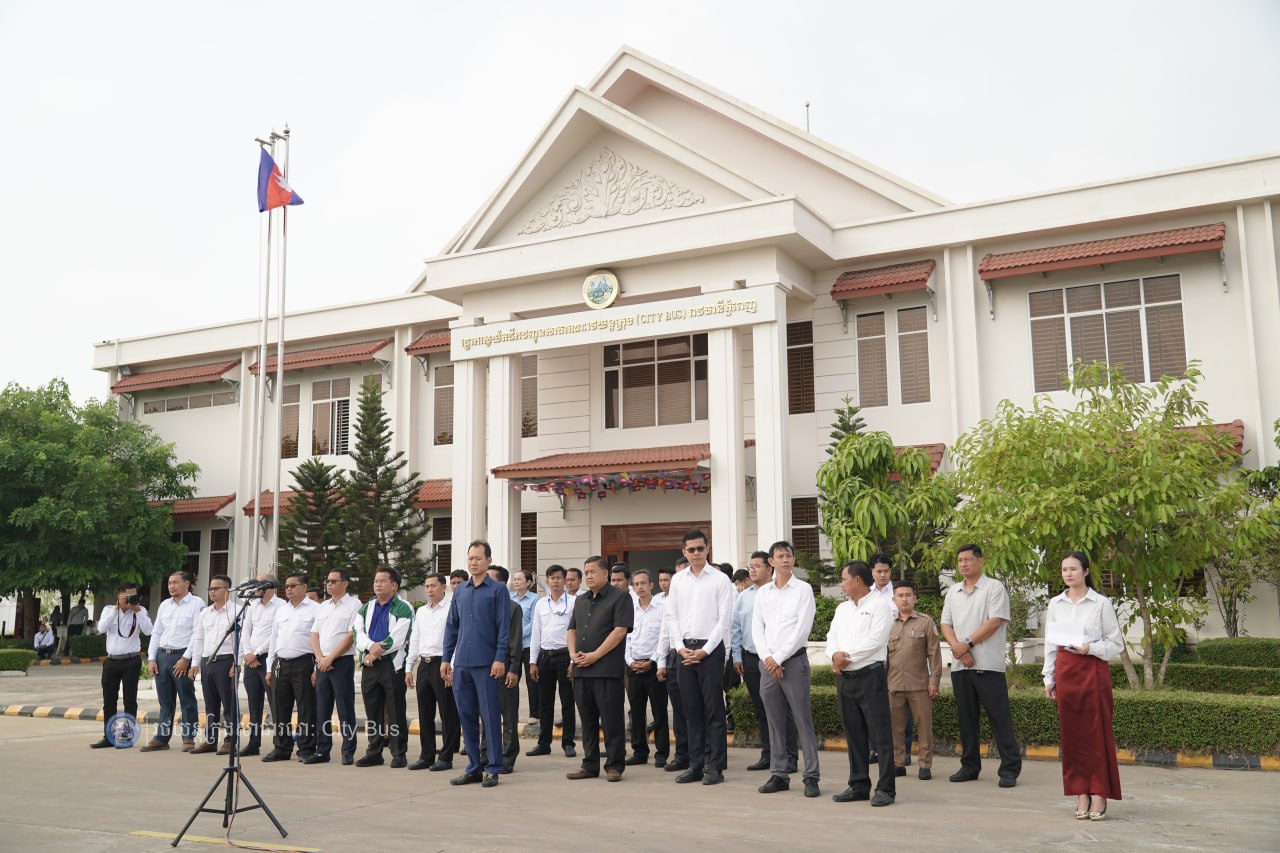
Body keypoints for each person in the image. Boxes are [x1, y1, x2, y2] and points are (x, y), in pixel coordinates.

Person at [1043, 551, 1123, 821]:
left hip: (1092, 669)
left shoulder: (1101, 603)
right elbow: (1050, 644)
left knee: (1096, 733)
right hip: (1066, 672)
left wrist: (1091, 647)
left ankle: (1099, 792)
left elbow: (1116, 643)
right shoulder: (1055, 603)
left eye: (1073, 569)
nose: (1068, 573)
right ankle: (1081, 792)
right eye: (1064, 569)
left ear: (1086, 572)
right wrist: (1048, 677)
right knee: (1073, 736)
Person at [941, 543, 1022, 787]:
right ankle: (969, 766)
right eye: (960, 561)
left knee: (999, 718)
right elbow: (946, 624)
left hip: (988, 665)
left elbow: (994, 621)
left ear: (980, 561)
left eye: (967, 559)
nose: (963, 564)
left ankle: (1009, 769)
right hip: (960, 666)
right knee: (966, 720)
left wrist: (966, 643)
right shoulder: (953, 591)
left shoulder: (994, 587)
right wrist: (957, 647)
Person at [661, 530, 735, 785]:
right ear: (684, 552)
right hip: (684, 651)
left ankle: (714, 767)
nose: (695, 553)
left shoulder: (720, 580)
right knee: (691, 711)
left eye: (699, 549)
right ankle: (695, 765)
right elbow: (671, 617)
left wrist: (705, 651)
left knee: (714, 711)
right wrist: (680, 648)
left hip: (710, 651)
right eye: (690, 550)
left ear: (707, 549)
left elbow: (724, 620)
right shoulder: (678, 581)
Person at [753, 541, 821, 798]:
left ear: (793, 560)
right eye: (779, 556)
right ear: (771, 561)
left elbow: (802, 629)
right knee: (774, 721)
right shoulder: (763, 593)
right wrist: (768, 658)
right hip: (768, 664)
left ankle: (811, 776)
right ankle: (779, 773)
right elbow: (757, 628)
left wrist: (778, 658)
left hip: (793, 662)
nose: (785, 560)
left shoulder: (803, 590)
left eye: (788, 556)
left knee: (803, 720)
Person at [826, 560, 896, 807]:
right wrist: (834, 655)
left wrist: (846, 657)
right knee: (854, 733)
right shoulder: (842, 610)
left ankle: (886, 788)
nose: (841, 584)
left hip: (869, 676)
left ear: (857, 580)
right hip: (846, 679)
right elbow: (831, 636)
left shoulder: (880, 606)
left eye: (844, 579)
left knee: (880, 735)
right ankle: (858, 784)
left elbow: (877, 641)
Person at [442, 540, 509, 788]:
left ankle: (493, 767)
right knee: (466, 716)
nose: (473, 562)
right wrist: (446, 659)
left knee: (490, 717)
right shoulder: (460, 591)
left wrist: (500, 657)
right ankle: (473, 767)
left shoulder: (497, 590)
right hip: (462, 665)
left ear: (488, 560)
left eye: (478, 558)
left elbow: (503, 627)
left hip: (487, 664)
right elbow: (452, 626)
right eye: (470, 558)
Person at [566, 555, 633, 782]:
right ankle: (590, 763)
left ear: (605, 573)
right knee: (587, 720)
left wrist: (595, 655)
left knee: (611, 719)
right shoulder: (581, 600)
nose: (589, 576)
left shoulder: (620, 598)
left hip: (606, 669)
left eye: (593, 571)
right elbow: (572, 630)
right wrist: (573, 655)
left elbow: (620, 631)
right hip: (582, 670)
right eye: (586, 572)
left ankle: (614, 765)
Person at [732, 550, 798, 775]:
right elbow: (736, 628)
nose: (752, 569)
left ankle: (790, 756)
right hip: (751, 658)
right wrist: (737, 656)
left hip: (776, 659)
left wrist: (776, 656)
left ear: (769, 567)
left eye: (757, 566)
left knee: (784, 709)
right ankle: (768, 754)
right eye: (750, 566)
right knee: (762, 710)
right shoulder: (743, 596)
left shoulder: (777, 592)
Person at [353, 568, 414, 768]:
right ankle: (374, 751)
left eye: (382, 581)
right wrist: (370, 649)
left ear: (394, 585)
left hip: (391, 666)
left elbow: (398, 638)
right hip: (370, 665)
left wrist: (375, 652)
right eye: (376, 581)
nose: (377, 584)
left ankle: (399, 753)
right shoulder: (366, 607)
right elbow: (357, 632)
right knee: (373, 710)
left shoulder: (403, 608)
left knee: (396, 710)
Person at [142, 571, 203, 752]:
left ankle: (188, 738)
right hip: (163, 656)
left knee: (186, 698)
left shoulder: (196, 604)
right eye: (169, 583)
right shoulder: (164, 605)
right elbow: (156, 633)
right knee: (165, 700)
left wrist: (187, 658)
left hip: (181, 656)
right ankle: (162, 738)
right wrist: (152, 658)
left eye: (175, 582)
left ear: (186, 583)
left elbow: (197, 634)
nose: (171, 586)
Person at [887, 579, 941, 780]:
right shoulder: (887, 624)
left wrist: (934, 681)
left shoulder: (925, 622)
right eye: (900, 596)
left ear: (915, 598)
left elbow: (934, 654)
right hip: (893, 685)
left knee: (924, 727)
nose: (904, 599)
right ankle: (898, 763)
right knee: (895, 728)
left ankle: (925, 766)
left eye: (908, 595)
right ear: (894, 599)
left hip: (919, 685)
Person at [263, 572, 320, 762]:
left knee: (306, 708)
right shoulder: (281, 610)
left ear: (304, 587)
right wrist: (270, 667)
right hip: (281, 663)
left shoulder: (315, 609)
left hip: (305, 662)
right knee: (280, 709)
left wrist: (316, 667)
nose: (288, 589)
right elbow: (274, 639)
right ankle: (281, 747)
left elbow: (320, 638)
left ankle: (306, 748)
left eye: (293, 586)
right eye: (286, 586)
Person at [407, 572, 459, 771]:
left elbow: (455, 638)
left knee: (447, 712)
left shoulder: (451, 609)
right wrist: (409, 666)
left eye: (433, 586)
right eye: (427, 586)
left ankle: (446, 757)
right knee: (425, 712)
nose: (429, 590)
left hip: (443, 663)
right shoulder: (421, 612)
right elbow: (415, 639)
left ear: (443, 587)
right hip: (425, 664)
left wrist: (451, 665)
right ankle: (426, 755)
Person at [182, 574, 239, 755]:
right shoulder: (205, 613)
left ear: (227, 590)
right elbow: (198, 638)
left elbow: (241, 639)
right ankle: (211, 740)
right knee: (210, 704)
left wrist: (237, 662)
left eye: (216, 588)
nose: (212, 592)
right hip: (208, 662)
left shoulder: (237, 611)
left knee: (228, 704)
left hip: (226, 661)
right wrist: (195, 663)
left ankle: (231, 740)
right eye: (210, 589)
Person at [308, 568, 361, 765]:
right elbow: (314, 635)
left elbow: (350, 635)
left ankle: (348, 750)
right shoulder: (322, 607)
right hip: (322, 663)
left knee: (345, 708)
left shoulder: (354, 605)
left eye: (333, 581)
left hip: (341, 662)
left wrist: (331, 658)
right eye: (327, 581)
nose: (329, 584)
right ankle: (322, 750)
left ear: (345, 583)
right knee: (322, 709)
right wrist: (320, 658)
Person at [91, 583, 153, 748]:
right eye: (127, 596)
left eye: (134, 595)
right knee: (109, 700)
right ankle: (108, 737)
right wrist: (116, 609)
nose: (131, 599)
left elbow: (148, 631)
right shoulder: (109, 609)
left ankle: (126, 736)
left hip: (131, 660)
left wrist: (137, 609)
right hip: (111, 661)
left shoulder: (140, 611)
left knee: (129, 700)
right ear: (119, 596)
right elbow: (101, 628)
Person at [526, 564, 577, 759]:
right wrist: (533, 662)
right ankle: (543, 743)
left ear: (565, 580)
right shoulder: (540, 604)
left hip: (565, 657)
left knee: (567, 702)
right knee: (544, 703)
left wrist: (574, 660)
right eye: (551, 578)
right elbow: (535, 634)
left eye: (559, 577)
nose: (555, 581)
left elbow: (577, 633)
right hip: (545, 658)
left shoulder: (573, 602)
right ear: (546, 581)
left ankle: (568, 743)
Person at [624, 568, 668, 767]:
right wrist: (630, 661)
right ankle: (639, 751)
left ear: (652, 585)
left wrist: (651, 661)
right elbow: (625, 639)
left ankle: (662, 753)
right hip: (633, 667)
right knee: (636, 712)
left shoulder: (661, 609)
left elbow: (663, 639)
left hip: (654, 666)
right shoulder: (629, 610)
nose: (640, 587)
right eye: (636, 584)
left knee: (659, 712)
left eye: (643, 583)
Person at [239, 574, 284, 756]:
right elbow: (246, 630)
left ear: (270, 585)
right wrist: (248, 653)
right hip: (251, 659)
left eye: (260, 583)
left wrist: (256, 653)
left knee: (275, 702)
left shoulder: (280, 606)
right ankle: (253, 743)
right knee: (253, 703)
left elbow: (275, 634)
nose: (256, 586)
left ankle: (280, 743)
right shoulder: (252, 606)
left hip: (269, 658)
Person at [484, 565, 523, 774]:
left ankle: (508, 757)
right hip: (483, 668)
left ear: (501, 583)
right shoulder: (483, 604)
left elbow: (515, 641)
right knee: (486, 714)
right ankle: (486, 753)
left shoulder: (512, 607)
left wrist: (514, 669)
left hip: (506, 667)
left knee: (508, 716)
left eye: (490, 579)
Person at [655, 559, 690, 771]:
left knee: (697, 710)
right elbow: (664, 633)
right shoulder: (669, 601)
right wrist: (661, 662)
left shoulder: (702, 597)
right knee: (678, 711)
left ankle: (703, 754)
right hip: (675, 659)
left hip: (699, 656)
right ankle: (682, 755)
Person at [511, 568, 539, 725]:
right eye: (514, 579)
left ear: (528, 583)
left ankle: (534, 713)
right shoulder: (509, 598)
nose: (516, 582)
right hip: (512, 647)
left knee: (532, 681)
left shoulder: (535, 599)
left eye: (519, 579)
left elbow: (534, 623)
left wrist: (515, 633)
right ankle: (509, 713)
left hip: (528, 645)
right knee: (511, 679)